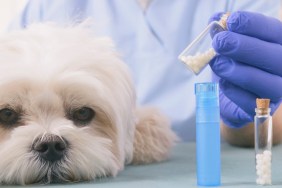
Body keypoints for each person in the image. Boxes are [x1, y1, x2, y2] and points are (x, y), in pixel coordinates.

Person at [8, 0, 282, 144]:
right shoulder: (46, 7)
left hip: (216, 164)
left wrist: (250, 117)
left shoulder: (249, 5)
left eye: (80, 112)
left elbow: (272, 122)